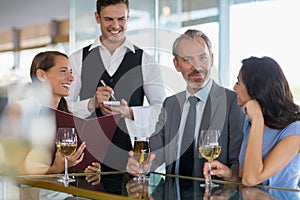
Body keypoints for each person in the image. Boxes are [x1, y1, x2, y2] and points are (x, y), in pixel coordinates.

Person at [126, 29, 245, 181]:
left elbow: (239, 164)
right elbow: (156, 152)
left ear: (212, 59)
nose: (197, 67)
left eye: (202, 58)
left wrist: (230, 176)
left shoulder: (232, 102)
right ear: (176, 64)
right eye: (187, 60)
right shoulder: (170, 104)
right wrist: (141, 165)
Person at [67, 0, 166, 171]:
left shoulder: (145, 60)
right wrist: (91, 104)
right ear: (97, 17)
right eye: (109, 19)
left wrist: (129, 112)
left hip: (131, 160)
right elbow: (63, 109)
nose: (116, 25)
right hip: (89, 160)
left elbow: (162, 110)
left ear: (128, 17)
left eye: (121, 19)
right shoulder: (77, 60)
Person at [203, 56, 300, 188]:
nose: (234, 87)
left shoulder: (295, 129)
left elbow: (251, 179)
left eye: (238, 82)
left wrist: (258, 120)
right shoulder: (250, 122)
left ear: (255, 88)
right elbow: (245, 178)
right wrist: (230, 175)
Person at [4, 51, 101, 177]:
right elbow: (11, 167)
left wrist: (84, 169)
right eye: (63, 71)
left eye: (71, 72)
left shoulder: (67, 116)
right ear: (41, 75)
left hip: (65, 193)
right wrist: (54, 169)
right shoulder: (20, 110)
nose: (71, 78)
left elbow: (66, 165)